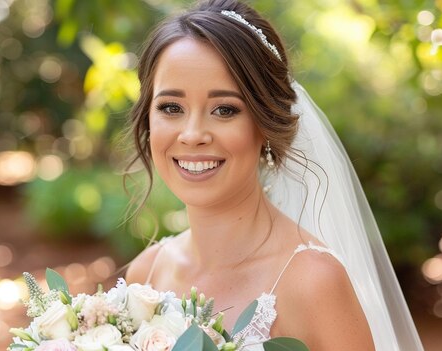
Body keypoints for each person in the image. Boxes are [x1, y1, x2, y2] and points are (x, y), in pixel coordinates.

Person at [123, 0, 424, 350]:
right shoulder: (145, 276)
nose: (192, 134)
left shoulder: (313, 282)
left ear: (266, 123)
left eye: (224, 109)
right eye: (171, 108)